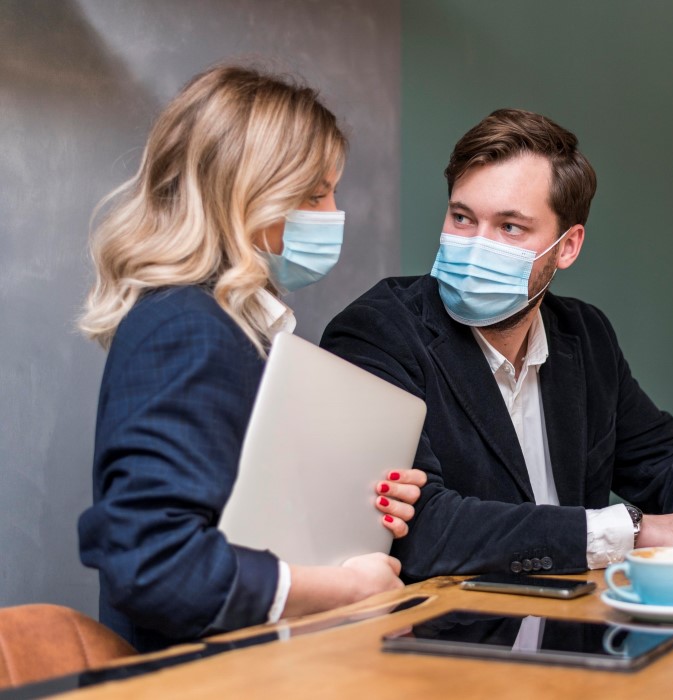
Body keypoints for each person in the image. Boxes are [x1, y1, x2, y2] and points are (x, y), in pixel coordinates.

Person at [321, 108, 673, 581]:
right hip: (453, 641)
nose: (476, 244)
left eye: (510, 227)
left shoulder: (583, 337)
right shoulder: (378, 333)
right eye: (463, 218)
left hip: (577, 621)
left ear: (567, 247)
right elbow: (424, 530)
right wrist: (635, 531)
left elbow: (666, 470)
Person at [76, 65, 425, 652]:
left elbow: (235, 517)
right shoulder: (185, 328)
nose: (333, 212)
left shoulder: (234, 329)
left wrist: (352, 504)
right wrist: (341, 588)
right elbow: (153, 562)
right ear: (247, 196)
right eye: (315, 193)